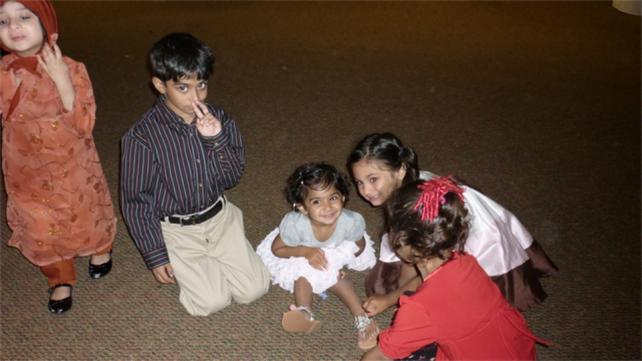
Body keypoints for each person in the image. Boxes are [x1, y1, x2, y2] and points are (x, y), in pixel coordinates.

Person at [120, 32, 269, 316]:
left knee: (255, 290)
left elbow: (232, 177)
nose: (196, 97)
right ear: (160, 85)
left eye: (201, 85)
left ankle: (216, 260)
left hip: (220, 219)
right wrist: (155, 255)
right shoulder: (141, 137)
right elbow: (136, 200)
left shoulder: (220, 119)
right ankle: (197, 265)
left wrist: (216, 140)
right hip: (178, 230)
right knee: (211, 302)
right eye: (183, 88)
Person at [347, 133, 558, 312]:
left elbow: (437, 267)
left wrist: (392, 299)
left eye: (373, 179)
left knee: (440, 305)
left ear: (400, 170)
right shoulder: (411, 185)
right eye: (359, 182)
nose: (365, 191)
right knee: (393, 281)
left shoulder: (421, 212)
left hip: (483, 244)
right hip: (440, 235)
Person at [0, 0, 116, 314]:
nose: (14, 27)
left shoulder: (73, 68)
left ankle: (100, 248)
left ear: (46, 23)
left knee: (86, 212)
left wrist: (62, 80)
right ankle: (59, 276)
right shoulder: (2, 74)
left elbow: (84, 124)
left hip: (71, 164)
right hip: (28, 172)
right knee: (40, 226)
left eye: (24, 17)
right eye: (4, 21)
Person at [362, 177, 547, 360]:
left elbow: (378, 357)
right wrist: (387, 300)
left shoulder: (419, 309)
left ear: (402, 240)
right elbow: (427, 282)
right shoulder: (465, 261)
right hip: (512, 350)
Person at [256, 162, 379, 350]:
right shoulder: (296, 226)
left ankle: (361, 317)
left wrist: (343, 264)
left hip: (335, 247)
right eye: (316, 201)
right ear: (302, 208)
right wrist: (306, 252)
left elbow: (359, 244)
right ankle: (304, 312)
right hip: (298, 248)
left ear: (343, 198)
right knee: (302, 276)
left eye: (333, 198)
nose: (327, 207)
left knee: (336, 279)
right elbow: (277, 249)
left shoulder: (350, 222)